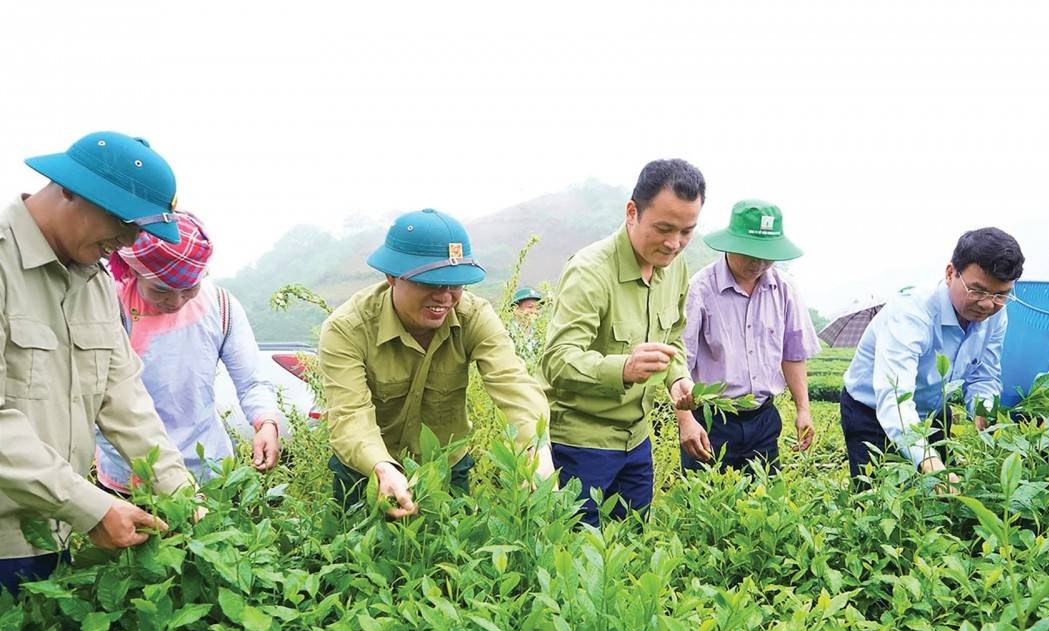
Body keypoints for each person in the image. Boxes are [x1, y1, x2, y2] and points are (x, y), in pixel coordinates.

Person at [1, 131, 195, 593]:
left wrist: (183, 495)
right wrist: (92, 506)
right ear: (68, 188)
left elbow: (123, 397)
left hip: (62, 536)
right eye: (123, 220)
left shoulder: (96, 285)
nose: (128, 240)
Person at [319, 208, 553, 518]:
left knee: (448, 558)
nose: (444, 297)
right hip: (367, 472)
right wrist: (382, 467)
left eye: (455, 285)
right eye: (431, 283)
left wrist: (535, 448)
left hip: (446, 467)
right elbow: (349, 414)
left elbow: (513, 382)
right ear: (391, 277)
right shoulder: (347, 328)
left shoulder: (474, 317)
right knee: (358, 560)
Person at [539, 159, 701, 526]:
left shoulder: (676, 266)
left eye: (687, 231)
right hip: (582, 445)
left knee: (631, 548)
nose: (674, 243)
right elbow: (557, 361)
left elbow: (673, 335)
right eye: (664, 228)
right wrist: (624, 368)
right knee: (578, 558)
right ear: (632, 212)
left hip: (637, 443)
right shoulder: (590, 271)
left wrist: (678, 379)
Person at [94, 212, 283, 493]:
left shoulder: (221, 306)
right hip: (131, 475)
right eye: (161, 290)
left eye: (189, 288)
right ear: (134, 272)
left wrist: (267, 422)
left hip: (209, 470)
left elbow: (252, 381)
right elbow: (99, 398)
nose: (176, 300)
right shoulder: (109, 306)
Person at [840, 227, 1025, 486]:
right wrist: (928, 461)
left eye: (1000, 295)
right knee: (876, 497)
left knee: (942, 499)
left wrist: (984, 414)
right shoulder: (910, 313)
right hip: (871, 410)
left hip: (932, 409)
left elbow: (984, 375)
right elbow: (895, 398)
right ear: (951, 273)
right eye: (978, 291)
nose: (987, 304)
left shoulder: (995, 315)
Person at [678, 199, 820, 472]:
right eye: (750, 254)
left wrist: (803, 409)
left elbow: (792, 355)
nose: (759, 263)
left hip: (763, 419)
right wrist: (686, 421)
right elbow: (679, 363)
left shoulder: (784, 289)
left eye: (766, 256)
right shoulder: (700, 289)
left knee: (764, 506)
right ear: (731, 244)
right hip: (711, 421)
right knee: (705, 505)